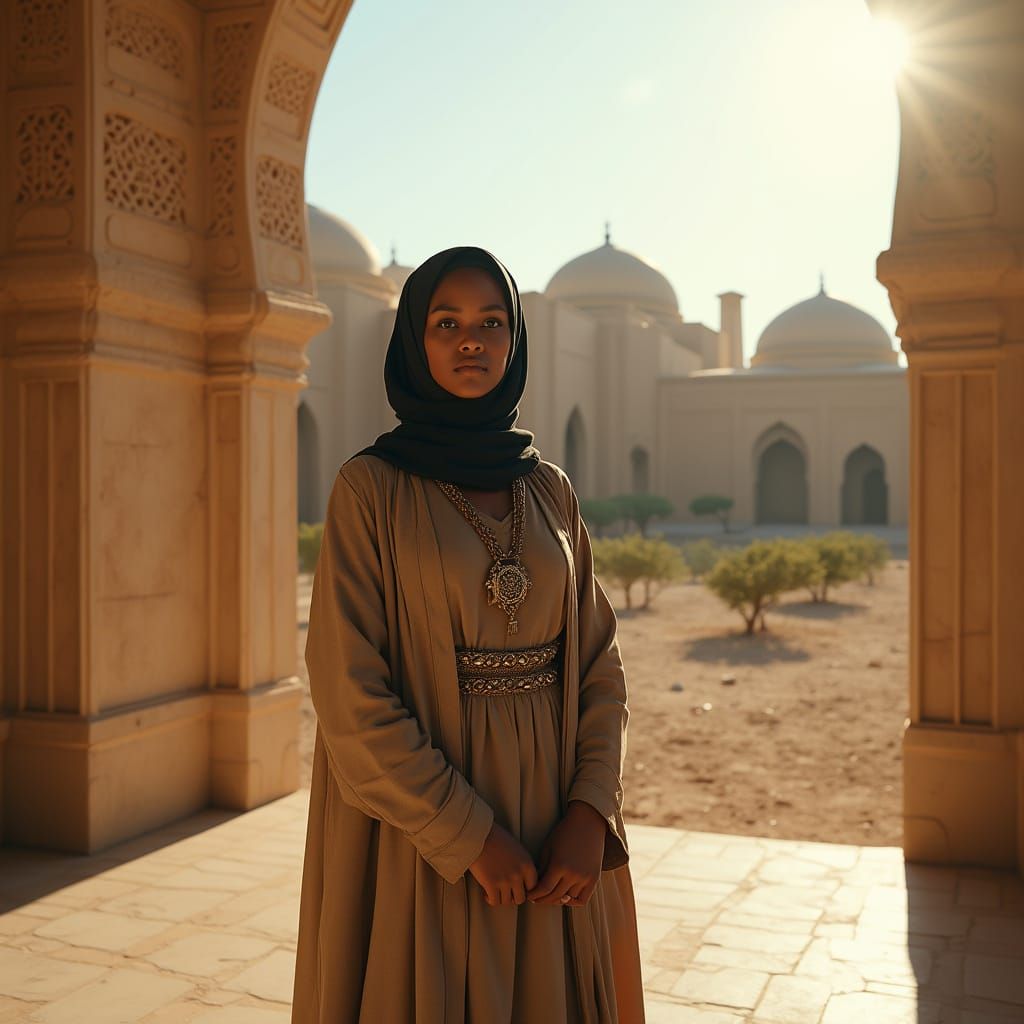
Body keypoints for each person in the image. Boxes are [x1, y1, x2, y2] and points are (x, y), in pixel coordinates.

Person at [290, 245, 645, 1023]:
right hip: (424, 828)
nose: (471, 342)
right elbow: (348, 691)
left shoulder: (548, 489)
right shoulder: (371, 488)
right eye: (446, 324)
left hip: (554, 815)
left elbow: (600, 664)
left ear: (515, 339)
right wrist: (468, 835)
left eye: (491, 323)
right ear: (414, 340)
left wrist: (590, 813)